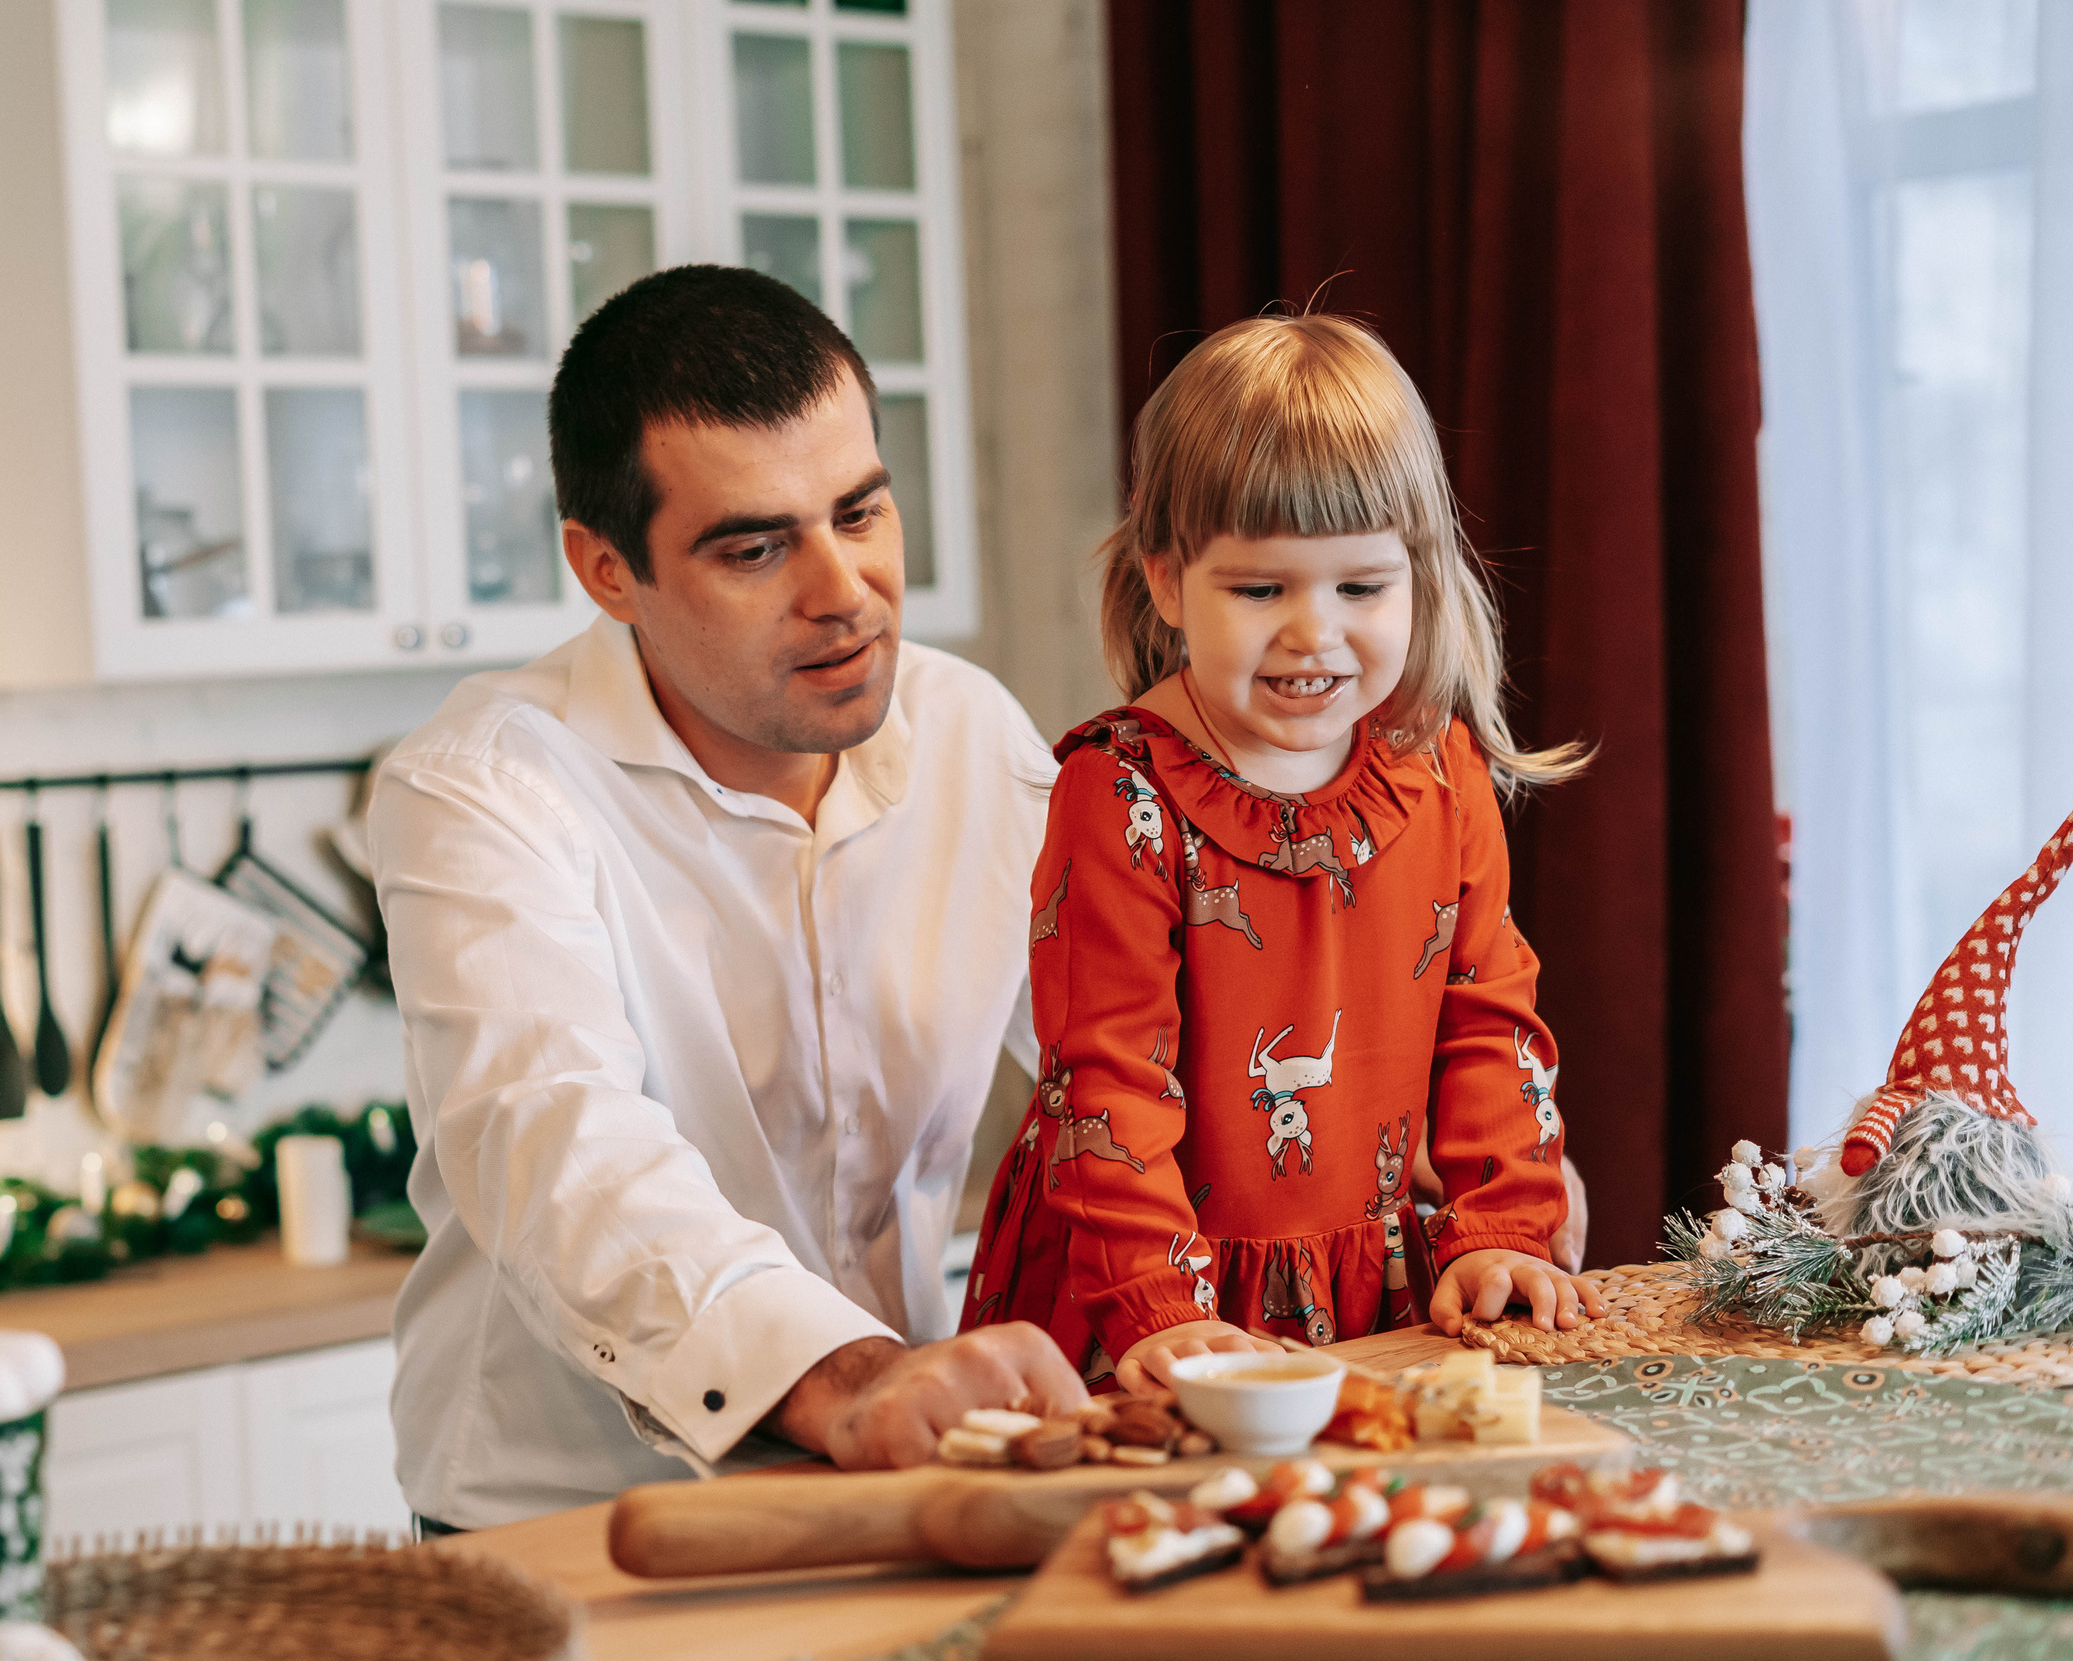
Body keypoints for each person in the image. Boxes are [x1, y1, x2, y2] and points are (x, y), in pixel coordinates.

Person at [354, 266, 1087, 1531]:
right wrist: (850, 1376)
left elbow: (1131, 1058)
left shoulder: (973, 735)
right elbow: (561, 1149)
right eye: (753, 547)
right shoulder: (479, 789)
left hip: (897, 1478)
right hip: (563, 1523)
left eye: (859, 514)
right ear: (606, 571)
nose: (841, 591)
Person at [957, 314, 1608, 1398]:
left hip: (1375, 1288)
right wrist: (1157, 1311)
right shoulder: (1118, 791)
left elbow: (1487, 1016)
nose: (1314, 633)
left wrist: (1501, 1225)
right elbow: (1106, 1078)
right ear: (1168, 583)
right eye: (1260, 590)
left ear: (1419, 578)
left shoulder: (1436, 765)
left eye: (1359, 588)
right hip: (1150, 1295)